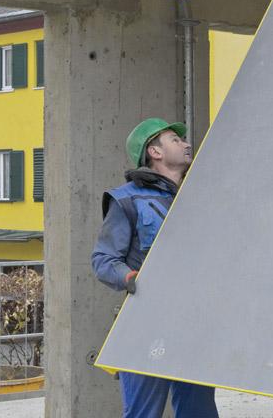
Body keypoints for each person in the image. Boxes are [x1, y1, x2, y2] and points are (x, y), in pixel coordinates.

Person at [91, 117, 217, 418]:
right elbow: (103, 260)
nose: (187, 144)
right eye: (175, 140)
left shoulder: (198, 198)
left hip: (192, 321)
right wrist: (131, 277)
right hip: (146, 323)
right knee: (143, 413)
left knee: (199, 411)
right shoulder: (127, 200)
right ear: (155, 152)